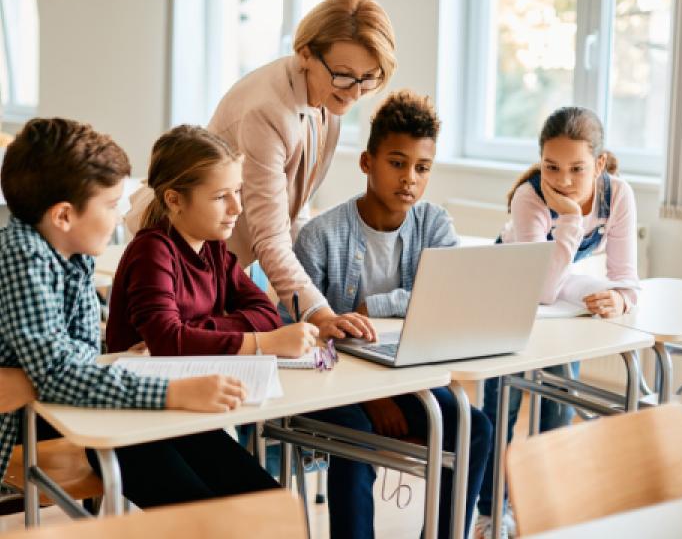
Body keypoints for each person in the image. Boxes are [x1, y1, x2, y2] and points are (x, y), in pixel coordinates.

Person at [0, 118, 278, 508]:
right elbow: (62, 374)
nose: (119, 220)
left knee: (268, 501)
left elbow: (80, 361)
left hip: (98, 408)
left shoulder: (74, 256)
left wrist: (52, 376)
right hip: (56, 427)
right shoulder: (23, 255)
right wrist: (173, 389)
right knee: (203, 515)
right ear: (64, 216)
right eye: (112, 206)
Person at [127, 0, 396, 342]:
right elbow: (271, 235)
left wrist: (322, 302)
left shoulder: (330, 99)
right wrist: (319, 312)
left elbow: (293, 215)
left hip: (222, 259)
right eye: (345, 75)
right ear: (305, 54)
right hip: (180, 250)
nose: (356, 92)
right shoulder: (267, 111)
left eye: (369, 77)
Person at [293, 91, 493, 539]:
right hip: (333, 387)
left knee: (475, 427)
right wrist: (371, 397)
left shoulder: (434, 224)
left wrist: (372, 307)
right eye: (397, 163)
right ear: (367, 162)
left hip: (408, 379)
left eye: (422, 168)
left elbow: (445, 298)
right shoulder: (320, 236)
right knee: (356, 439)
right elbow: (306, 336)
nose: (410, 179)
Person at [475, 106, 640, 539]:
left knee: (559, 398)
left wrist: (620, 300)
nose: (562, 180)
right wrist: (568, 218)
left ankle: (547, 508)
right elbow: (537, 289)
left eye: (577, 168)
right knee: (502, 405)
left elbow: (626, 278)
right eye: (552, 166)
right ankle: (493, 511)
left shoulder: (618, 195)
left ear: (600, 164)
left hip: (557, 285)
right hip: (510, 287)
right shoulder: (530, 197)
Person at [107, 124, 318, 358]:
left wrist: (188, 335)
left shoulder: (213, 248)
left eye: (237, 191)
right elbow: (168, 342)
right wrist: (263, 343)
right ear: (174, 200)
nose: (237, 208)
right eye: (220, 197)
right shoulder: (151, 251)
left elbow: (267, 315)